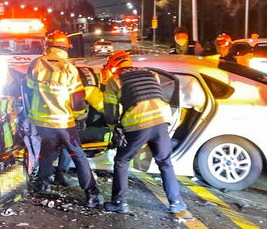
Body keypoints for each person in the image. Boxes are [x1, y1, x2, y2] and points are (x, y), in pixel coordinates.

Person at [24, 30, 103, 207]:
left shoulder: (36, 64)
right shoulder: (69, 68)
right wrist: (79, 116)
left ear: (47, 45)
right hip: (64, 122)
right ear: (66, 47)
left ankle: (44, 184)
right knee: (78, 156)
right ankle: (91, 194)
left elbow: (28, 89)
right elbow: (78, 98)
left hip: (42, 121)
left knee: (46, 153)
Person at [103, 52, 187, 216]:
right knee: (165, 162)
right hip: (162, 120)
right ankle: (176, 203)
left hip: (138, 123)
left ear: (114, 65)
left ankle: (119, 202)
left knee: (122, 160)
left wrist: (114, 129)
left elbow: (111, 112)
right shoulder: (151, 74)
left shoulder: (115, 80)